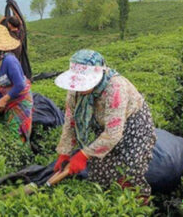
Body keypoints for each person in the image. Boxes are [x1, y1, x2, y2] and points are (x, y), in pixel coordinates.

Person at [53, 49, 156, 200]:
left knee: (129, 170)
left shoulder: (115, 88)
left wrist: (83, 154)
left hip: (133, 123)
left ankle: (138, 206)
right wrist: (64, 152)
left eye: (84, 83)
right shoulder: (75, 90)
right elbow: (71, 121)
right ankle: (107, 203)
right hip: (103, 122)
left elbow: (113, 133)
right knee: (100, 169)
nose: (79, 88)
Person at [0, 0, 32, 80]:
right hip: (17, 53)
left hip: (10, 56)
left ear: (9, 24)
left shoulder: (8, 35)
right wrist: (14, 8)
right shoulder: (21, 32)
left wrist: (1, 20)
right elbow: (20, 21)